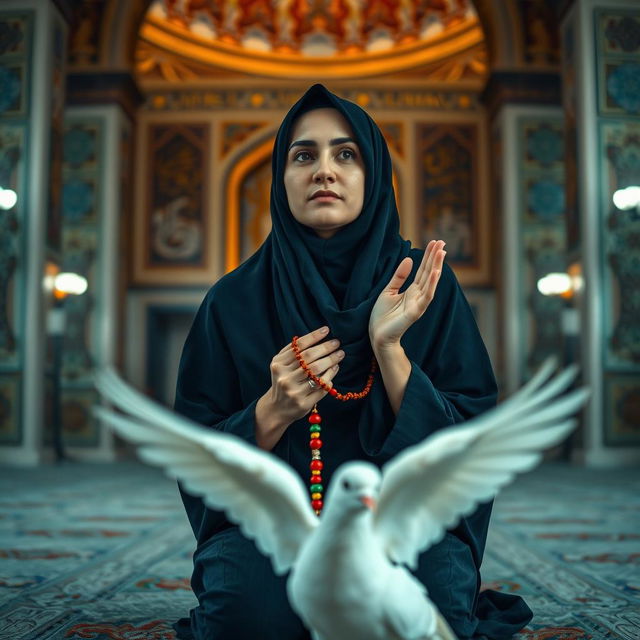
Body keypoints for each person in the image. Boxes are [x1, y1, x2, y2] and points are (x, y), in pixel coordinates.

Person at [172, 84, 532, 640]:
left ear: (374, 173)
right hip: (271, 526)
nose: (324, 171)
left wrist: (390, 351)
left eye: (346, 154)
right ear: (279, 178)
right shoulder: (233, 300)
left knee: (429, 616)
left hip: (402, 521)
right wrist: (270, 412)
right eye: (303, 155)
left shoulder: (423, 286)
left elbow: (471, 437)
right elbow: (193, 451)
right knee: (249, 618)